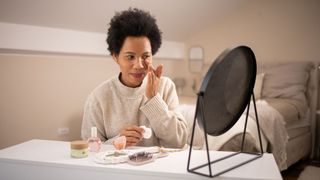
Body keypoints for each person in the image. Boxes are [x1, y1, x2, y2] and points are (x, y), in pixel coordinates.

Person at [81, 8, 188, 148]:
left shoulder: (166, 87)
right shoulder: (98, 98)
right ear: (115, 57)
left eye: (146, 56)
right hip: (117, 169)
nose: (139, 65)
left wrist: (154, 99)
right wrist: (117, 142)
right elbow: (89, 151)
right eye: (130, 57)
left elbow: (179, 143)